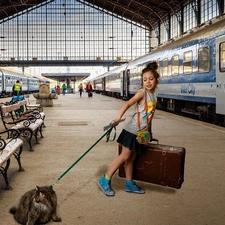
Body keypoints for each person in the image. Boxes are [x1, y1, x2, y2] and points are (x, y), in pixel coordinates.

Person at [98, 61, 160, 196]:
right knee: (124, 155)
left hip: (141, 133)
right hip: (132, 130)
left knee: (131, 159)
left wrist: (149, 132)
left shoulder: (154, 96)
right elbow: (128, 103)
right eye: (145, 80)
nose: (148, 82)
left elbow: (148, 116)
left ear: (156, 80)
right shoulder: (142, 93)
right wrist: (117, 117)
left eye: (151, 79)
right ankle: (105, 179)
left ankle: (129, 183)